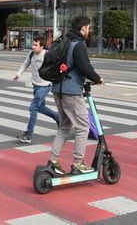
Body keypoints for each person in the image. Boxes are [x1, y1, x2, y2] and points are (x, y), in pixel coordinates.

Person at [48, 16, 103, 175]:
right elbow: (85, 66)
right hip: (71, 91)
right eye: (88, 27)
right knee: (83, 126)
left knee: (64, 126)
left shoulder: (64, 41)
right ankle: (78, 162)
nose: (89, 31)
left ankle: (53, 160)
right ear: (83, 28)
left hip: (57, 88)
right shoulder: (78, 45)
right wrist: (97, 79)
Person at [14, 35, 59, 143]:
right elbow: (25, 64)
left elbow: (56, 67)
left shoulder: (47, 55)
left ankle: (28, 135)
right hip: (35, 85)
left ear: (42, 46)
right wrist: (18, 74)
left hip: (45, 86)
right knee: (40, 107)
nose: (33, 47)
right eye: (33, 44)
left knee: (33, 108)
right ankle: (58, 118)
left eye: (35, 45)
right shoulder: (31, 54)